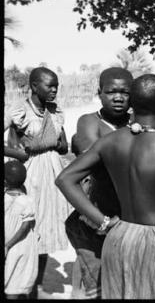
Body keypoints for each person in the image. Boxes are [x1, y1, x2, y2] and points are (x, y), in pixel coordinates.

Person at [56, 74, 155, 299]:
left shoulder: (110, 142)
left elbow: (65, 179)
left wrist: (104, 223)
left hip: (119, 238)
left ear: (132, 103)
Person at [3, 67, 72, 296]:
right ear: (34, 86)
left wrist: (60, 143)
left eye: (56, 86)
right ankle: (20, 288)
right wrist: (16, 154)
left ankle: (37, 286)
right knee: (27, 231)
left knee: (47, 233)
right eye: (49, 85)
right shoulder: (20, 110)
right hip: (30, 174)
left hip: (52, 173)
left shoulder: (55, 110)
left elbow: (61, 143)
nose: (54, 90)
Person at [66, 67, 133, 299]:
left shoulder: (138, 122)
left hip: (130, 220)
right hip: (97, 218)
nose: (118, 97)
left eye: (125, 92)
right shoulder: (89, 122)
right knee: (100, 288)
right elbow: (95, 161)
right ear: (99, 93)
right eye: (111, 91)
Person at [4, 160, 38, 299]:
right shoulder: (27, 201)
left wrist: (7, 244)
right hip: (19, 245)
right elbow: (25, 226)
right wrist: (9, 245)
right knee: (17, 277)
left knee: (10, 277)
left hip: (10, 243)